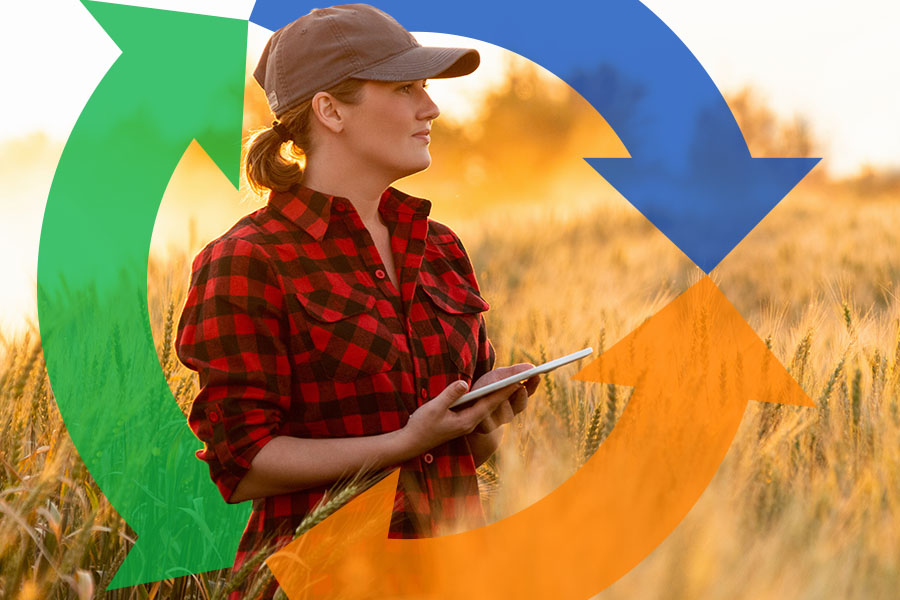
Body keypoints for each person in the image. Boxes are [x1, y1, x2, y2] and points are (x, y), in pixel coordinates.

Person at [175, 3, 540, 595]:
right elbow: (242, 463)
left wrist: (486, 419)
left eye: (425, 87)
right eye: (405, 87)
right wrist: (403, 444)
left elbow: (453, 455)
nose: (433, 107)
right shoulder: (249, 260)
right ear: (330, 110)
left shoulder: (440, 246)